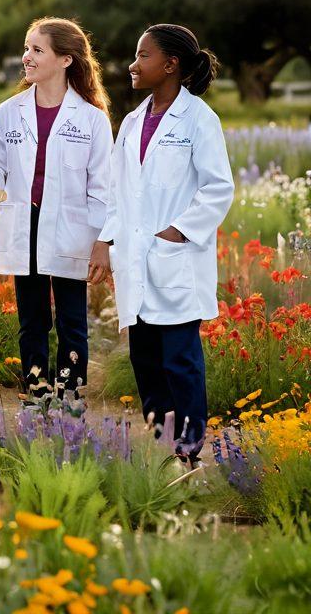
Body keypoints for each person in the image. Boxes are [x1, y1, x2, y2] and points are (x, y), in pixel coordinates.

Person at [90, 24, 234, 462]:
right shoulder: (133, 122)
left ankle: (188, 448)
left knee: (180, 361)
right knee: (146, 361)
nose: (133, 65)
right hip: (135, 258)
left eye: (142, 56)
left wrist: (178, 232)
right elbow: (116, 191)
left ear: (170, 65)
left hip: (175, 259)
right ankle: (162, 442)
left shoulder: (199, 120)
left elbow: (218, 188)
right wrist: (104, 241)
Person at [0, 18, 112, 398]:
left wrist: (104, 241)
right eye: (26, 48)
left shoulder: (90, 118)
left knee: (72, 319)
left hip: (74, 227)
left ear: (66, 59)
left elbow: (104, 187)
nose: (27, 57)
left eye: (37, 50)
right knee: (32, 318)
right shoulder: (10, 111)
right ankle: (35, 388)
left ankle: (70, 393)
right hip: (26, 221)